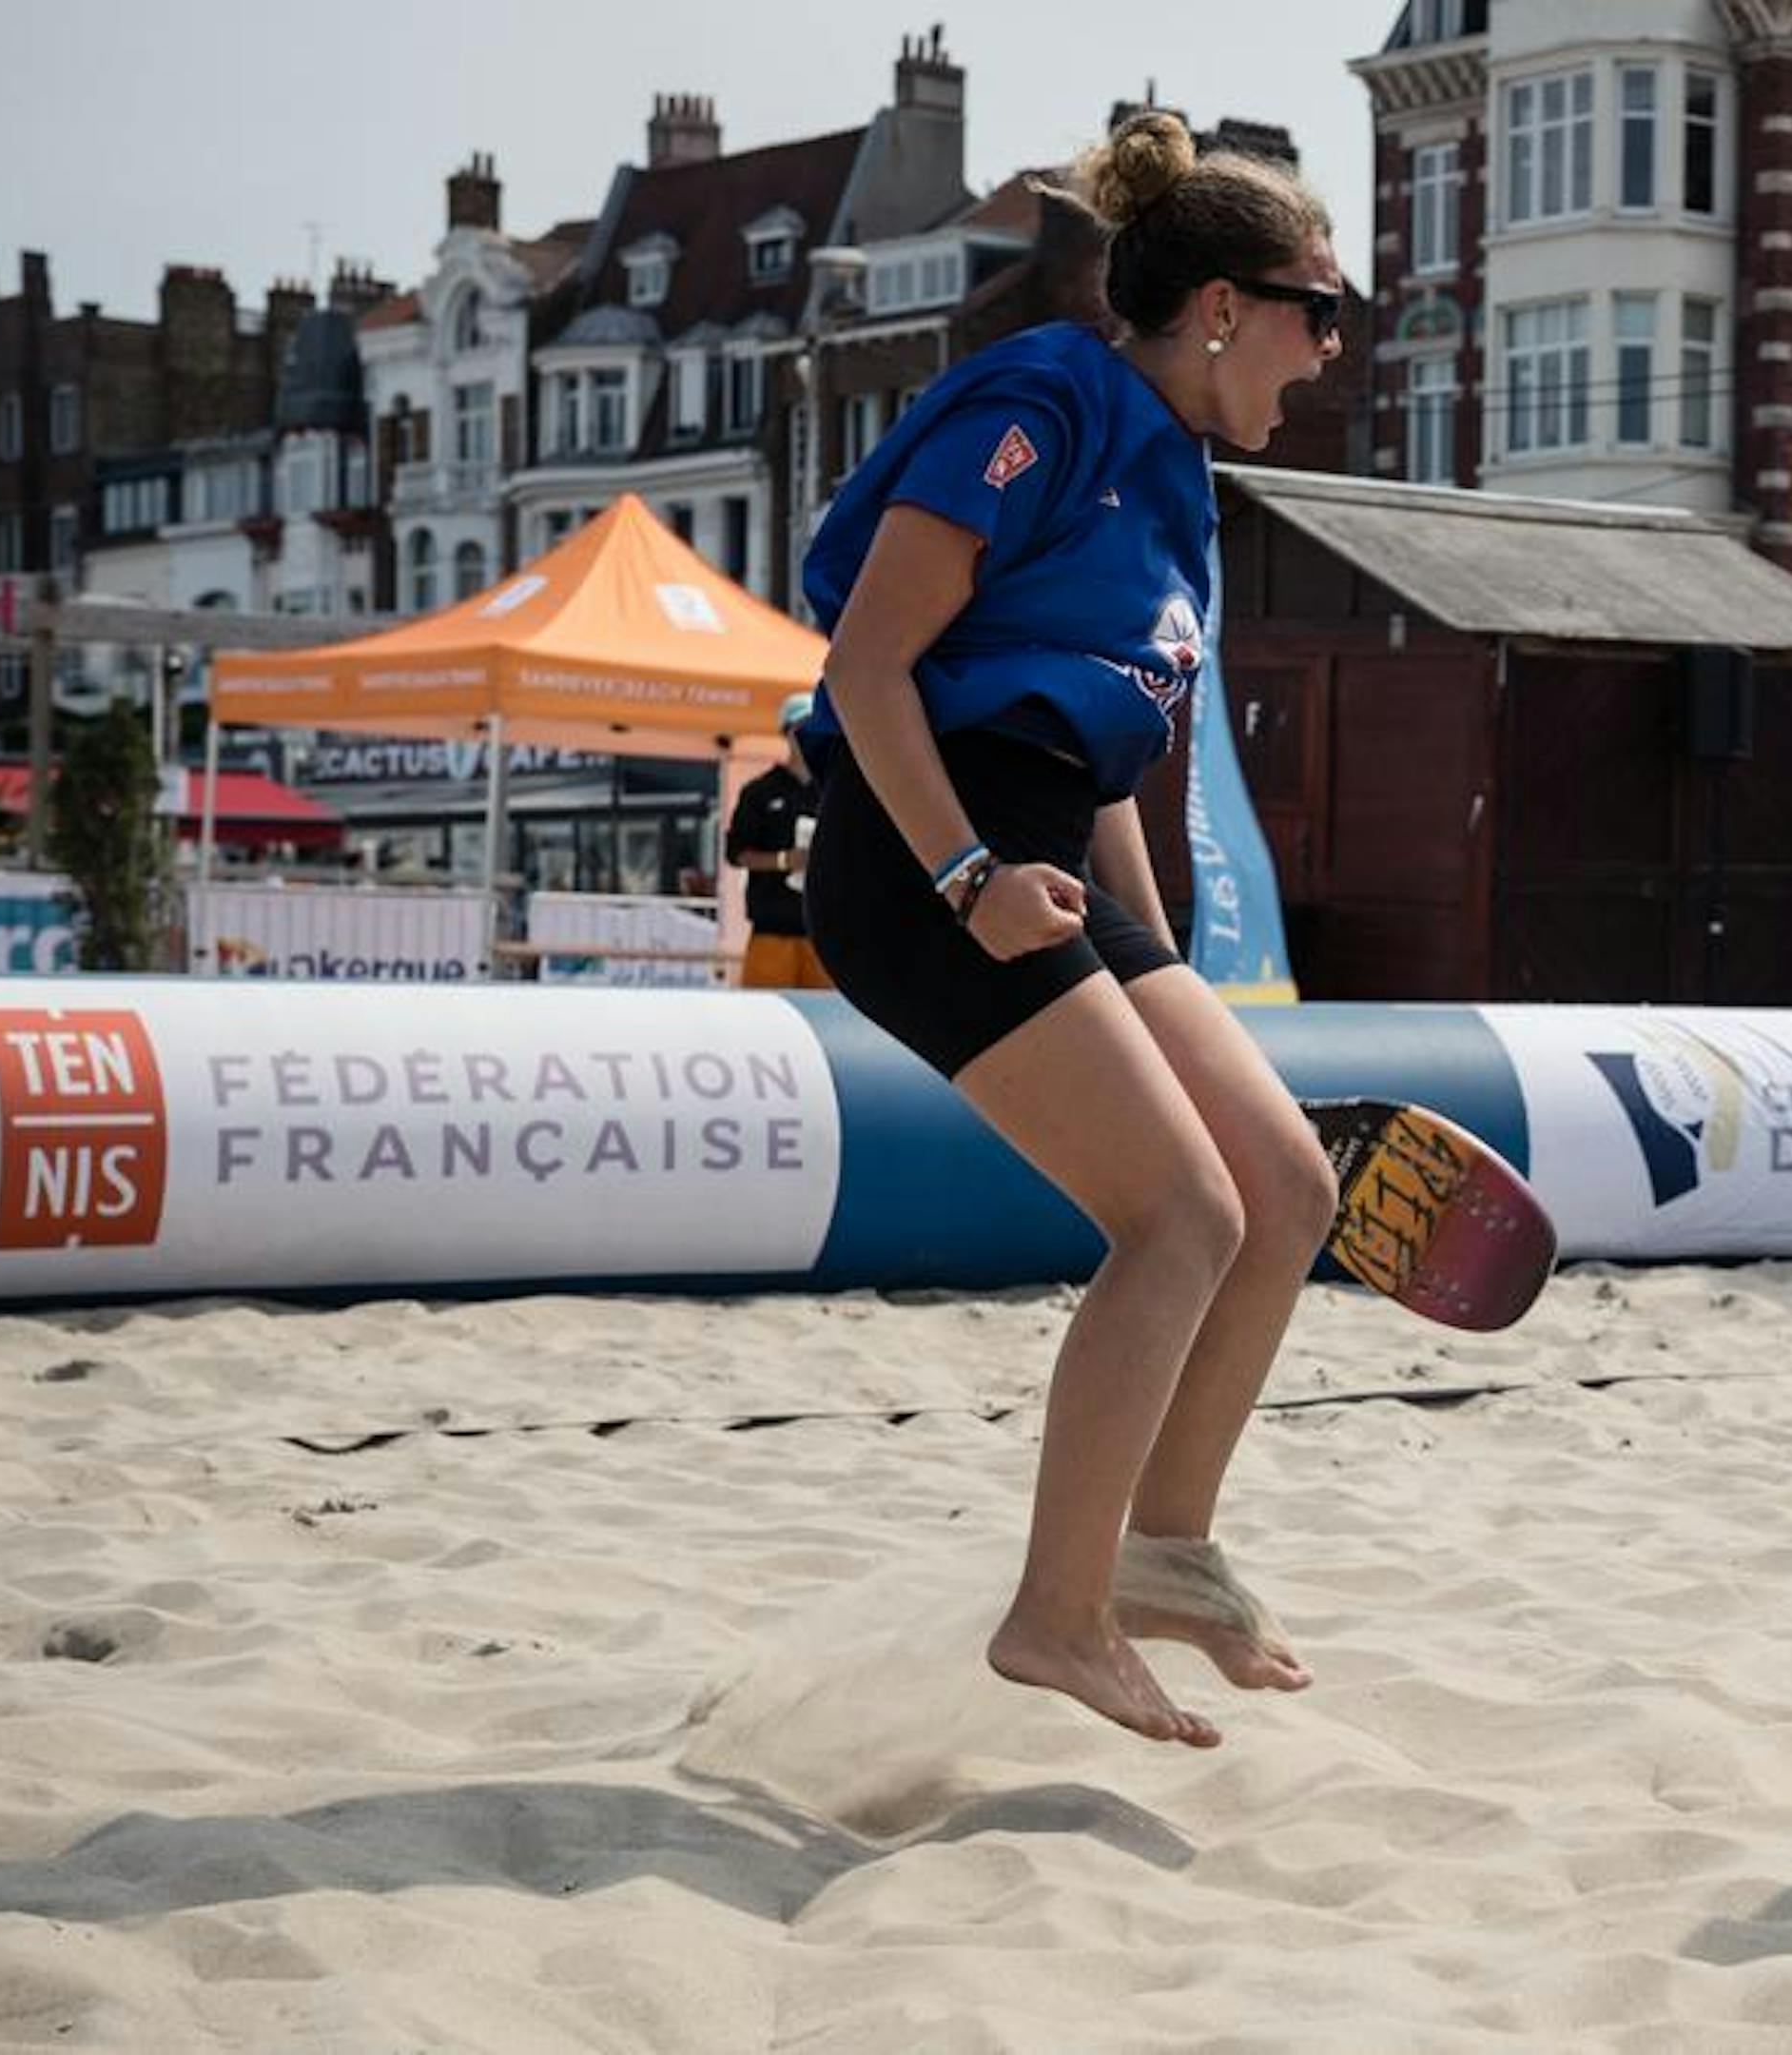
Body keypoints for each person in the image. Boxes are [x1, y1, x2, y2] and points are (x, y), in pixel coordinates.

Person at [792, 110, 1347, 1746]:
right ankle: (1057, 1614)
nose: (1329, 350)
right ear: (1226, 307)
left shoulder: (1179, 485)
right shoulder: (1041, 395)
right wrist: (967, 875)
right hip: (919, 854)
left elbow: (1098, 754)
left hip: (1047, 853)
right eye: (1324, 307)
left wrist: (1159, 960)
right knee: (1177, 1217)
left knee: (1286, 1187)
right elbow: (867, 672)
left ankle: (1164, 1553)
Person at [725, 691, 835, 988]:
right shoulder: (759, 792)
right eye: (802, 728)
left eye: (817, 728)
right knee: (764, 1021)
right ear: (786, 733)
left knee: (828, 1024)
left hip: (824, 934)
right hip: (772, 930)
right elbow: (736, 853)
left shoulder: (831, 792)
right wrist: (785, 860)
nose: (810, 736)